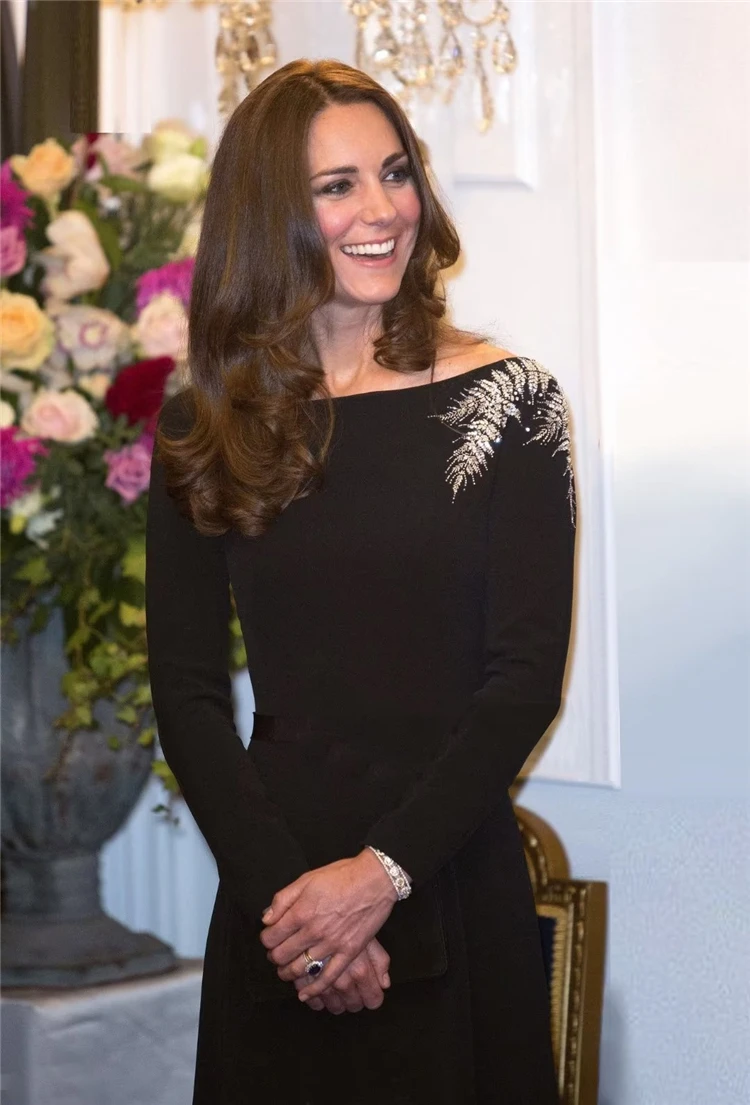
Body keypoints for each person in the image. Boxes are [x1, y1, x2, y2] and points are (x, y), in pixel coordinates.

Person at [145, 57, 577, 1105]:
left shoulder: (515, 404)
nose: (382, 210)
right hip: (276, 900)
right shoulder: (203, 422)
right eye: (336, 186)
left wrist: (378, 878)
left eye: (395, 172)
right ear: (270, 213)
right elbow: (187, 694)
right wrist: (294, 912)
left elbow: (522, 682)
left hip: (450, 878)